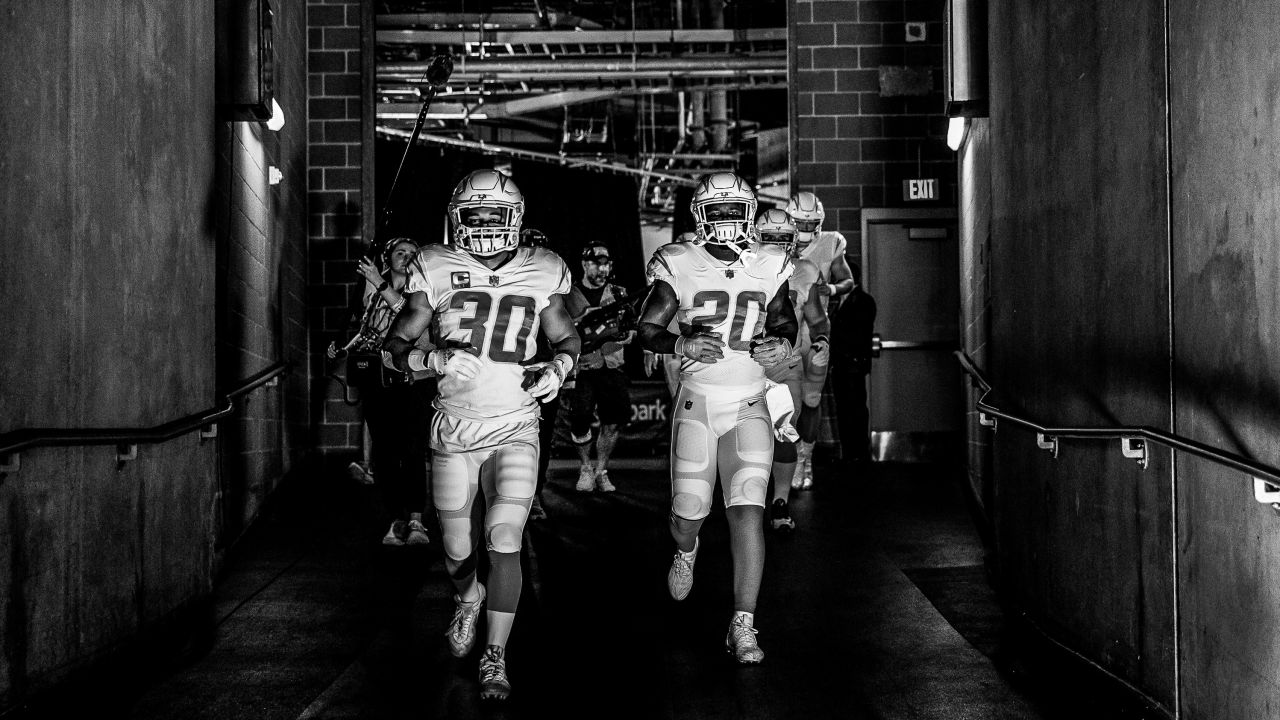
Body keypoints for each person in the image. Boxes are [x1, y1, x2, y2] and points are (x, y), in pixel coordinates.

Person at [383, 169, 580, 702]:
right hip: (453, 426)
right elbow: (395, 344)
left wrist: (559, 367)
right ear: (456, 219)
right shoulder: (436, 265)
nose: (488, 226)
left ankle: (495, 654)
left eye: (497, 215)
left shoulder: (544, 269)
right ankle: (468, 597)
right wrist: (432, 356)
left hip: (516, 423)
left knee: (505, 536)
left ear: (516, 218)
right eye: (477, 216)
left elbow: (566, 335)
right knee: (455, 546)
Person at [638, 172, 797, 665]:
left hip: (750, 399)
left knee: (747, 510)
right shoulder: (680, 262)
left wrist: (782, 342)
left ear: (749, 213)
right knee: (688, 514)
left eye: (735, 211)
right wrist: (680, 342)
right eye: (718, 212)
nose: (727, 222)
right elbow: (647, 327)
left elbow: (784, 317)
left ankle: (743, 624)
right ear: (700, 216)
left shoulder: (770, 264)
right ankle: (685, 550)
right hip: (699, 404)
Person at [327, 237, 434, 546]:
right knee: (385, 451)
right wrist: (344, 351)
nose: (407, 257)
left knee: (413, 448)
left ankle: (416, 519)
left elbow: (409, 320)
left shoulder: (423, 293)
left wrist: (378, 283)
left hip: (413, 379)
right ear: (388, 258)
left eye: (413, 253)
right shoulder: (376, 293)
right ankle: (395, 518)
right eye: (400, 252)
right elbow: (367, 332)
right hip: (379, 379)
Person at [753, 209, 831, 530]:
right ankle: (749, 496)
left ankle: (780, 501)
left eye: (781, 239)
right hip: (747, 366)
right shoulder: (741, 267)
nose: (774, 245)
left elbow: (816, 317)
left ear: (793, 240)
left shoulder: (806, 270)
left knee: (786, 427)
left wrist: (822, 338)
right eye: (768, 238)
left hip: (787, 362)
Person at [784, 191, 856, 485]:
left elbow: (848, 280)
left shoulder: (830, 242)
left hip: (816, 329)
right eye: (800, 223)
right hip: (782, 332)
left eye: (810, 223)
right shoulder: (773, 243)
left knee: (811, 399)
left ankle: (805, 460)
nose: (804, 230)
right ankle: (783, 464)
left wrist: (833, 290)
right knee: (781, 401)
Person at [564, 242, 634, 493]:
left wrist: (608, 346)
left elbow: (630, 333)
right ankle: (585, 467)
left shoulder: (619, 293)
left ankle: (601, 470)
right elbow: (560, 333)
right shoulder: (568, 294)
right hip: (581, 369)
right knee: (579, 419)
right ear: (584, 264)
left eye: (607, 264)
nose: (603, 269)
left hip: (612, 366)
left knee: (613, 421)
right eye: (597, 263)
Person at [831, 263, 877, 462]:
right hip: (847, 365)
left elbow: (855, 335)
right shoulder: (849, 300)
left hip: (851, 365)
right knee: (847, 409)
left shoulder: (862, 301)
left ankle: (856, 455)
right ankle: (852, 454)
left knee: (853, 410)